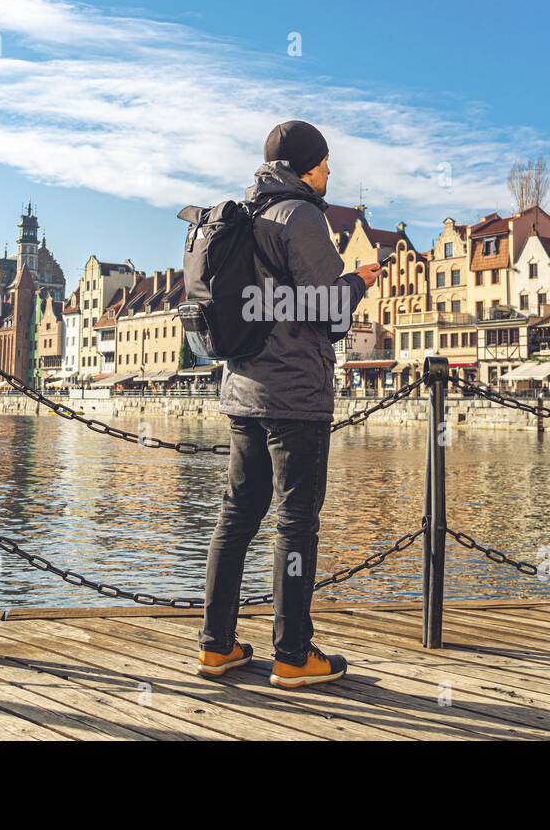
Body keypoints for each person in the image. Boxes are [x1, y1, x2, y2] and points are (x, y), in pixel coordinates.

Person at [197, 120, 383, 688]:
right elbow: (327, 312)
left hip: (244, 389)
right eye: (325, 164)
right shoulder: (301, 216)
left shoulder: (244, 216)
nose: (329, 174)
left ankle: (216, 646)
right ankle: (293, 654)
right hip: (295, 392)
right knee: (296, 521)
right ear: (307, 166)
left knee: (236, 516)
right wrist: (359, 282)